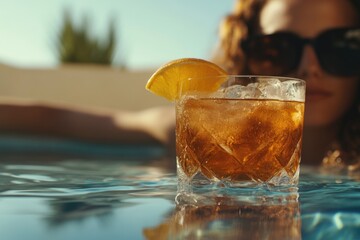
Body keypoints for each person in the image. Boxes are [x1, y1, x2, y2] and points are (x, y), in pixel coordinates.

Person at [213, 0, 360, 169]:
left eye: (340, 47)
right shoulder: (184, 145)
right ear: (245, 59)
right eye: (277, 50)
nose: (309, 68)